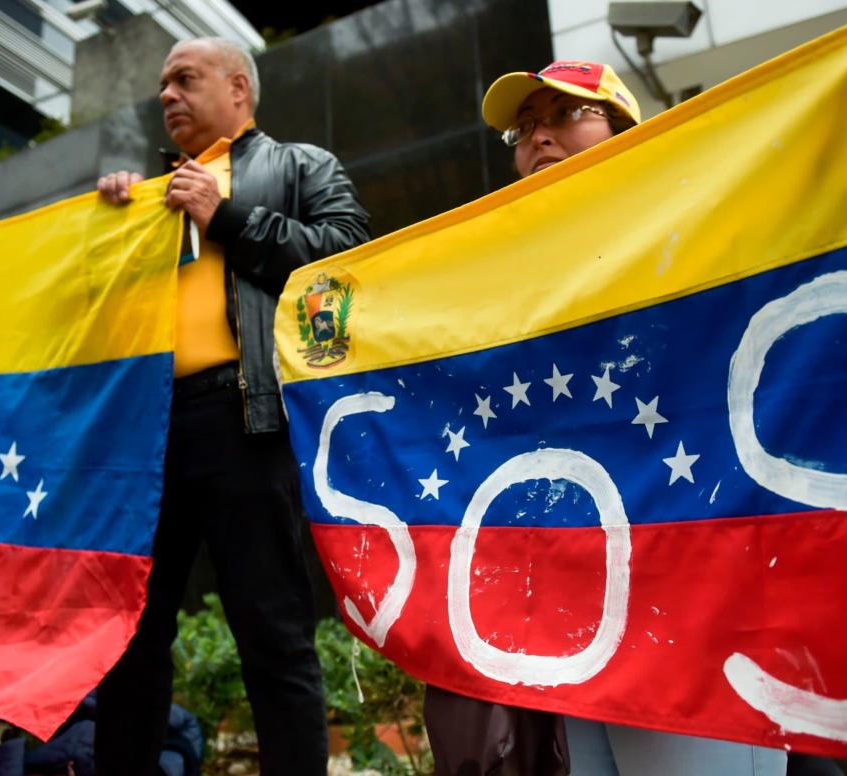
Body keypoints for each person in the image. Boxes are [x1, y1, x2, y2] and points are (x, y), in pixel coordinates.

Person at [419, 61, 787, 776]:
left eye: (564, 116)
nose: (539, 138)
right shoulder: (492, 274)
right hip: (568, 603)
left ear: (628, 131)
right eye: (524, 128)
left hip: (690, 591)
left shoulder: (699, 222)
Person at [94, 37, 370, 776]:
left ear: (238, 88)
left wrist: (229, 217)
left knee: (273, 635)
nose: (166, 96)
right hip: (145, 436)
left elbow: (347, 258)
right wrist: (109, 227)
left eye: (184, 79)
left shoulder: (300, 166)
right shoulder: (145, 196)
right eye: (161, 86)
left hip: (247, 423)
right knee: (128, 639)